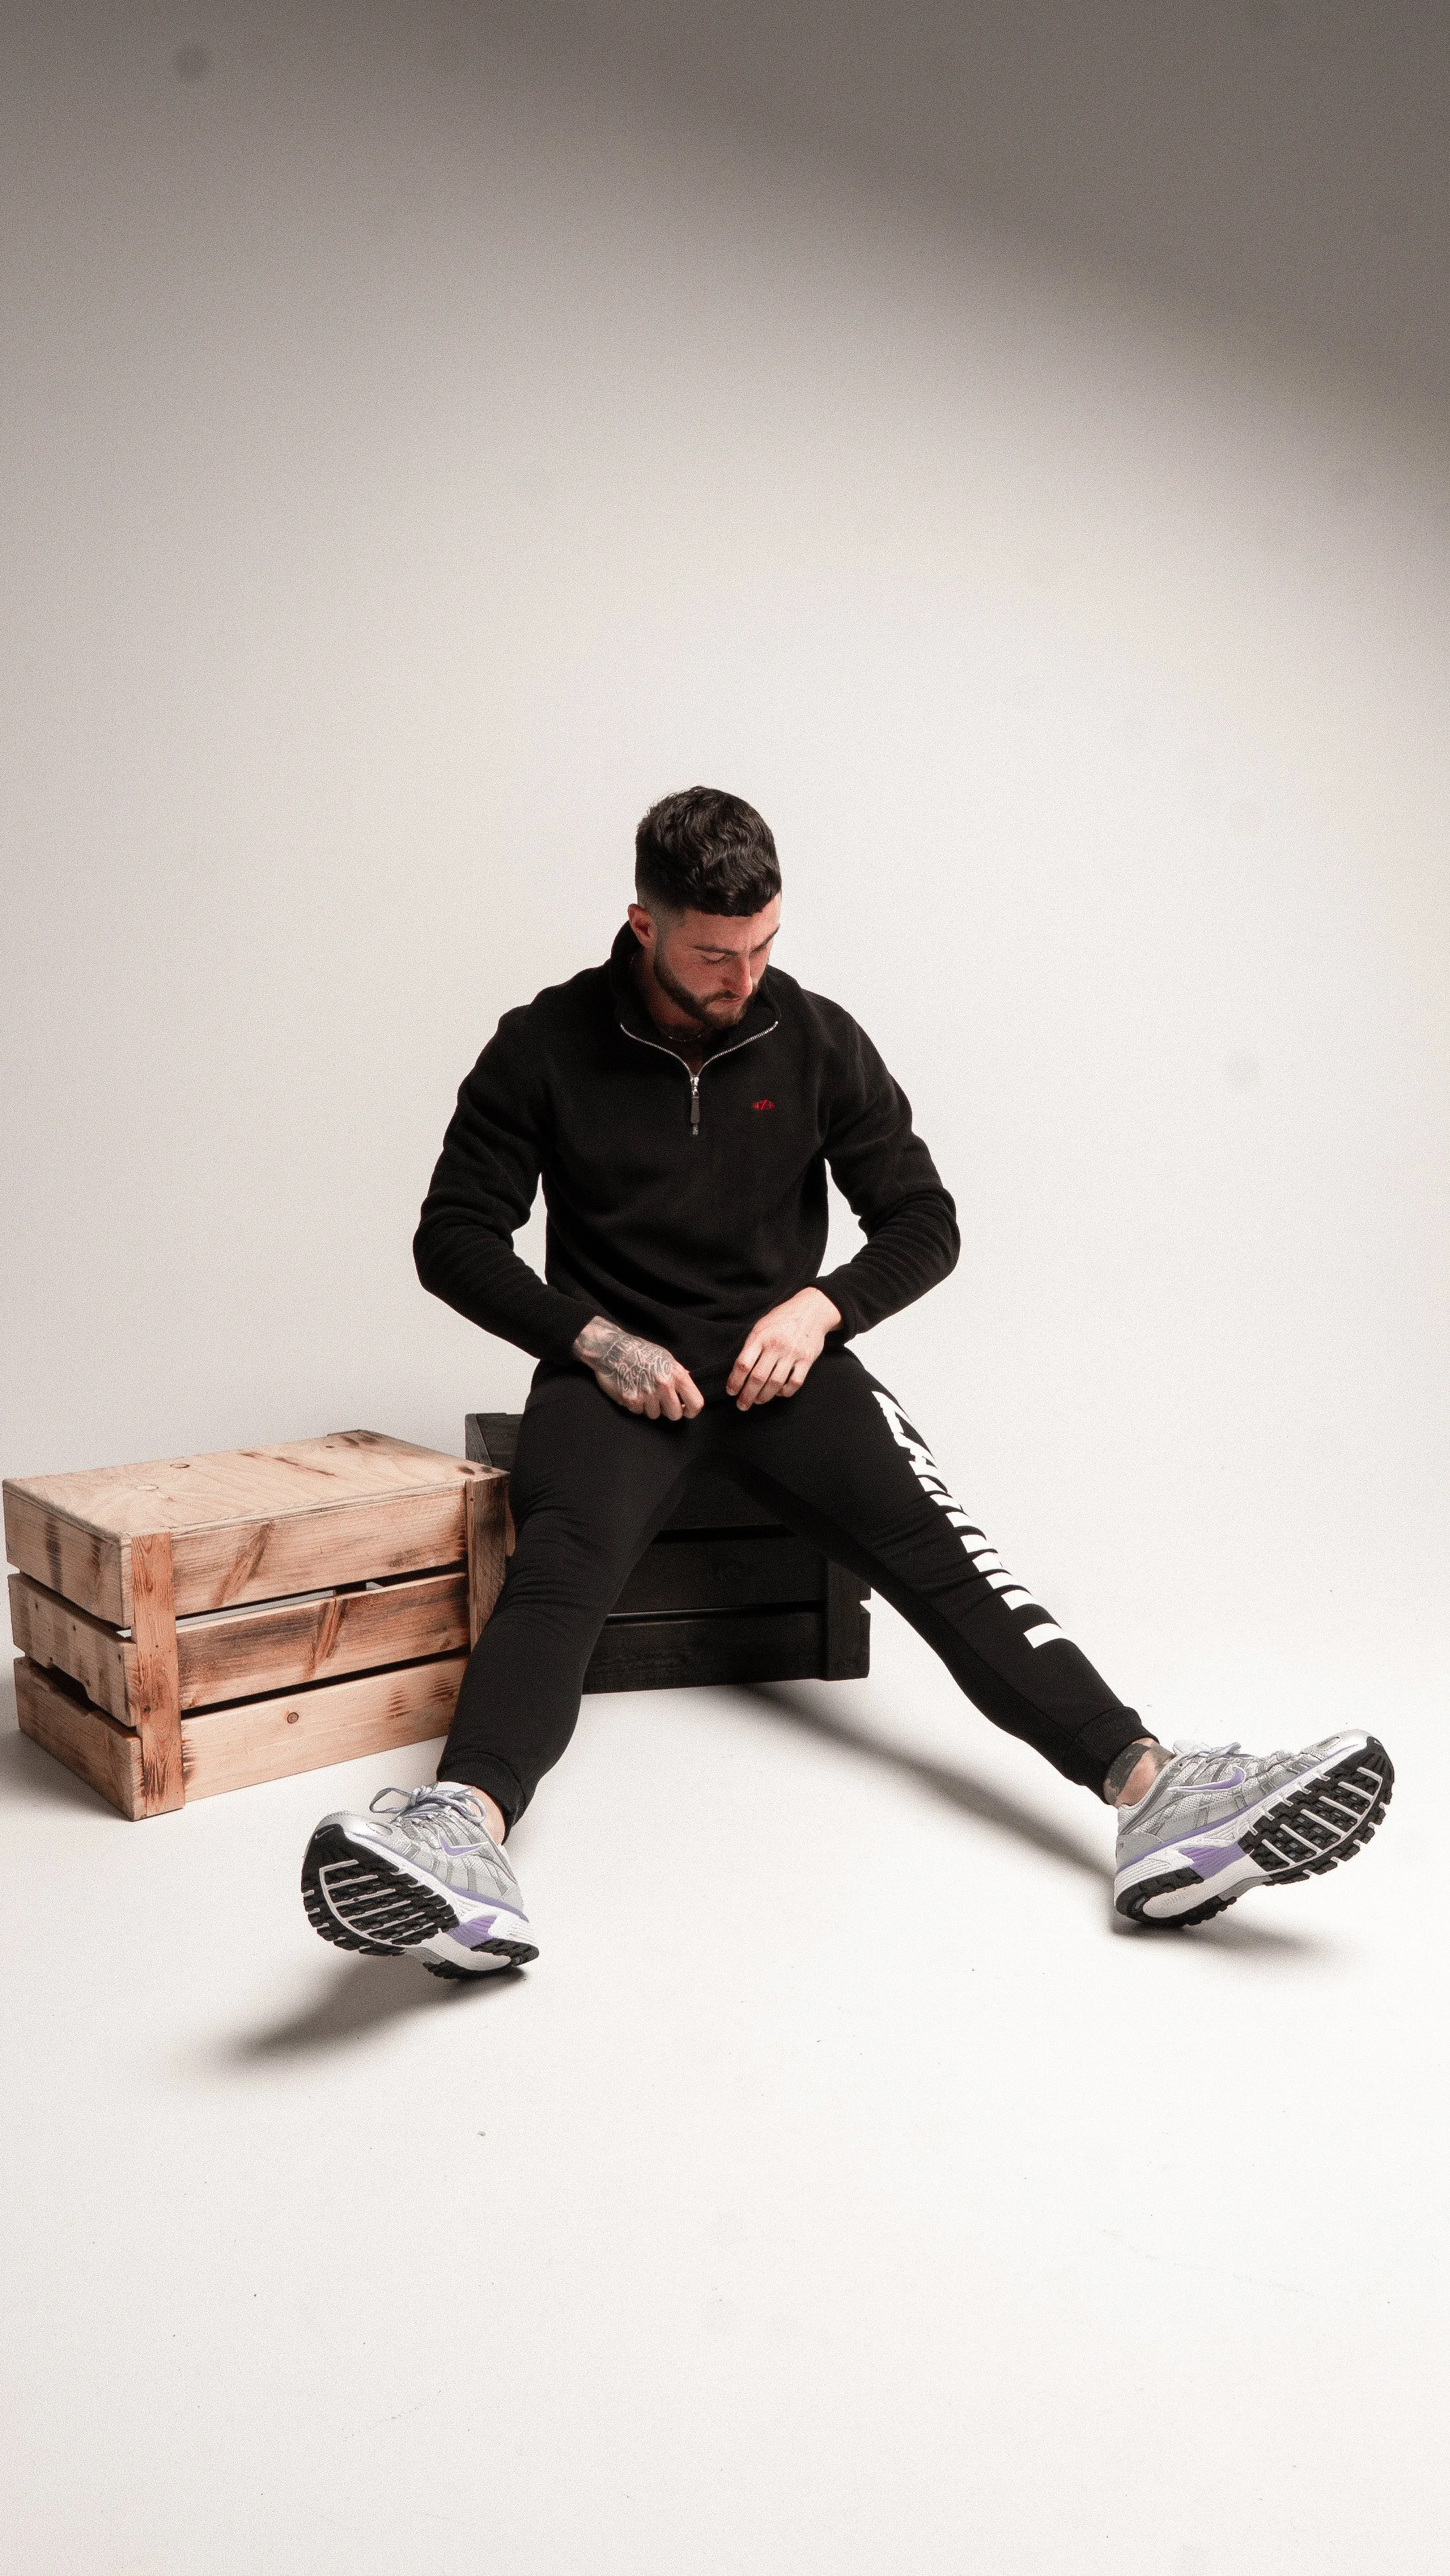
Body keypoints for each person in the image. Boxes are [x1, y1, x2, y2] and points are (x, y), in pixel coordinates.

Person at [300, 787, 1393, 1977]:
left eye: (766, 944)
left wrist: (824, 1307)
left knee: (947, 1555)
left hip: (787, 1371)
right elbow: (452, 1235)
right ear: (642, 923)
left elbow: (925, 1220)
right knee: (555, 1576)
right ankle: (462, 1841)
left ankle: (1157, 1795)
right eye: (716, 953)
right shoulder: (543, 1043)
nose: (744, 975)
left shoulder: (816, 1038)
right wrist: (593, 1340)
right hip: (622, 1381)